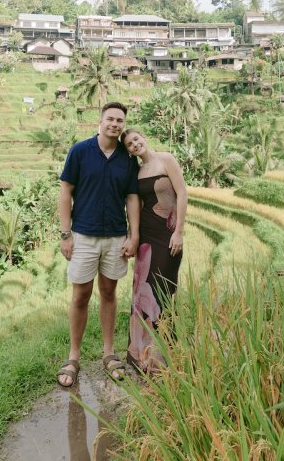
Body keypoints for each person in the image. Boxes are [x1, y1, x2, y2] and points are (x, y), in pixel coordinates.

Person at [56, 102, 140, 387]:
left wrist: (133, 235)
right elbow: (65, 192)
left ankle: (108, 353)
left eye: (120, 120)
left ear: (123, 124)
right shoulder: (80, 151)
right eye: (110, 119)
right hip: (84, 236)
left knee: (108, 292)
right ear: (101, 121)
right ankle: (73, 357)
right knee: (80, 295)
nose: (114, 124)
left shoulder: (128, 159)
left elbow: (132, 198)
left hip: (115, 237)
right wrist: (65, 234)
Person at [120, 128, 187, 375]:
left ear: (144, 138)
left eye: (136, 139)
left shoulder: (166, 159)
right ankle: (143, 354)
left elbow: (182, 193)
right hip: (146, 237)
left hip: (168, 234)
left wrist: (178, 231)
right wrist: (133, 236)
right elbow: (135, 207)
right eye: (129, 144)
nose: (134, 145)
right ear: (128, 151)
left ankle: (166, 353)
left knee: (164, 290)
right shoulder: (136, 172)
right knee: (143, 290)